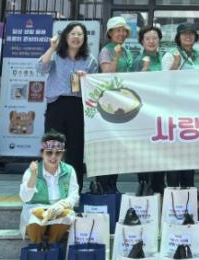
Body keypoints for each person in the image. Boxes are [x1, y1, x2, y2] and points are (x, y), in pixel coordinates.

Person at [37, 22, 98, 193]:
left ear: (84, 39)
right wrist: (52, 48)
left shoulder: (90, 60)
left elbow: (95, 87)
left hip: (78, 106)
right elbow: (40, 68)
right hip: (56, 105)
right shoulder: (56, 56)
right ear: (65, 36)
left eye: (80, 34)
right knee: (52, 146)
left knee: (76, 149)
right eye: (72, 33)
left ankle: (74, 190)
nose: (76, 37)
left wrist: (86, 78)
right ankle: (49, 188)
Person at [161, 22, 199, 187]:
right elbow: (162, 82)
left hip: (193, 110)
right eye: (184, 34)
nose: (188, 36)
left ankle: (189, 189)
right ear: (178, 37)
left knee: (190, 152)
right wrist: (175, 64)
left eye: (191, 33)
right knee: (174, 152)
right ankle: (173, 189)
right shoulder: (170, 55)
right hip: (174, 109)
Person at [95, 16, 134, 193]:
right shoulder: (106, 51)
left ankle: (112, 185)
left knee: (117, 146)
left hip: (123, 103)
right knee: (107, 144)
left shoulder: (127, 51)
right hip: (108, 103)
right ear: (110, 33)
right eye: (118, 30)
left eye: (123, 31)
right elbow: (107, 74)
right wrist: (116, 56)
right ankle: (103, 185)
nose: (121, 34)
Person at [19, 130, 79, 243]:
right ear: (42, 153)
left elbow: (74, 195)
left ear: (62, 154)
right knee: (34, 222)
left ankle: (53, 244)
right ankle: (37, 246)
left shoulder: (69, 170)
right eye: (49, 152)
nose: (53, 157)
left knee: (67, 217)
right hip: (36, 208)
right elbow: (25, 198)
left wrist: (62, 205)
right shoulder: (31, 171)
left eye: (58, 153)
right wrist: (33, 175)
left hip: (58, 209)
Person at [132, 25, 166, 194]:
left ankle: (159, 184)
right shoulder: (138, 60)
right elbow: (132, 84)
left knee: (161, 147)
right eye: (148, 39)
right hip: (144, 111)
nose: (151, 41)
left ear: (159, 40)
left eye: (154, 38)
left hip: (162, 109)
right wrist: (144, 70)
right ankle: (144, 184)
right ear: (142, 42)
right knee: (144, 149)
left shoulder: (164, 58)